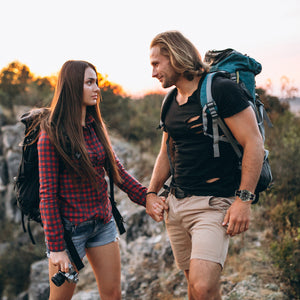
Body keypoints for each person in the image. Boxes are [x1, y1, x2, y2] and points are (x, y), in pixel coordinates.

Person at [146, 31, 265, 300]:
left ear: (175, 57)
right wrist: (151, 192)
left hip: (213, 205)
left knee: (202, 286)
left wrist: (243, 200)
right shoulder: (170, 100)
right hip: (176, 207)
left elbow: (253, 144)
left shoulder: (221, 90)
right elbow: (166, 151)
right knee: (196, 288)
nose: (153, 72)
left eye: (156, 64)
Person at [37, 60, 149, 300]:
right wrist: (57, 247)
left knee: (112, 295)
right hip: (69, 232)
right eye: (89, 83)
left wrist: (145, 197)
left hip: (103, 224)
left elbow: (115, 169)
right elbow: (46, 194)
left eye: (96, 82)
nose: (97, 88)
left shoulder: (94, 125)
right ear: (72, 86)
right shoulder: (51, 135)